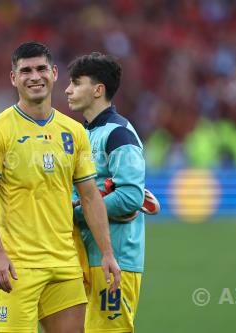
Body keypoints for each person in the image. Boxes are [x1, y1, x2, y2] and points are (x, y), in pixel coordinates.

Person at [0, 41, 121, 333]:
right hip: (17, 269)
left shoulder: (74, 132)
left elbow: (90, 196)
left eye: (41, 68)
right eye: (25, 70)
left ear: (54, 74)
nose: (35, 76)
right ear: (14, 78)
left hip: (64, 265)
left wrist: (107, 253)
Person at [66, 52, 146, 333]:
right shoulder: (82, 134)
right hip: (83, 256)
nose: (67, 89)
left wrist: (74, 212)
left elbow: (131, 197)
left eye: (76, 83)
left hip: (115, 259)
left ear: (98, 90)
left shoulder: (118, 134)